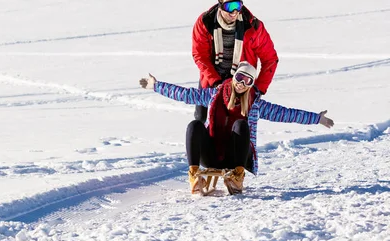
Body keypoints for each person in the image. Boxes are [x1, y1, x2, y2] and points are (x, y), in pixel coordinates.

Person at [139, 61, 334, 195]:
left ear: (251, 84)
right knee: (194, 125)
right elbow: (185, 94)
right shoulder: (213, 95)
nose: (241, 83)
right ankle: (194, 175)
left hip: (236, 157)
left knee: (241, 124)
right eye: (240, 77)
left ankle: (237, 176)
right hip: (211, 153)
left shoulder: (255, 103)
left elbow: (285, 113)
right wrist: (156, 86)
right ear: (234, 76)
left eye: (248, 80)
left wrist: (316, 119)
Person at [192, 0, 279, 123]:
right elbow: (200, 55)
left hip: (240, 81)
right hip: (211, 78)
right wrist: (215, 81)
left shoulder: (253, 26)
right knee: (201, 117)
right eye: (229, 6)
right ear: (220, 6)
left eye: (238, 5)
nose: (234, 11)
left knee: (239, 120)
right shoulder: (205, 22)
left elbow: (271, 59)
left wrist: (258, 88)